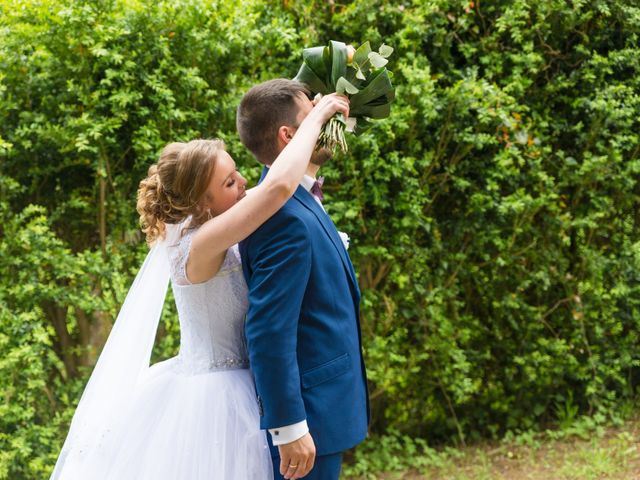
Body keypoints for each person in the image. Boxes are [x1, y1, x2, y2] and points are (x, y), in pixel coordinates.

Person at [50, 92, 350, 480]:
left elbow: (279, 178)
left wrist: (301, 98)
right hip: (216, 400)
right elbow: (277, 187)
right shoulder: (198, 244)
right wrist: (320, 114)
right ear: (201, 205)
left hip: (247, 385)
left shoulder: (219, 216)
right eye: (229, 182)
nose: (244, 182)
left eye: (237, 171)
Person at [236, 78, 369, 480]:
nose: (325, 120)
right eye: (315, 112)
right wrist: (290, 426)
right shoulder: (283, 218)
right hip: (306, 427)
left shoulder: (297, 196)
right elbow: (268, 328)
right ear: (288, 135)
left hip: (326, 414)